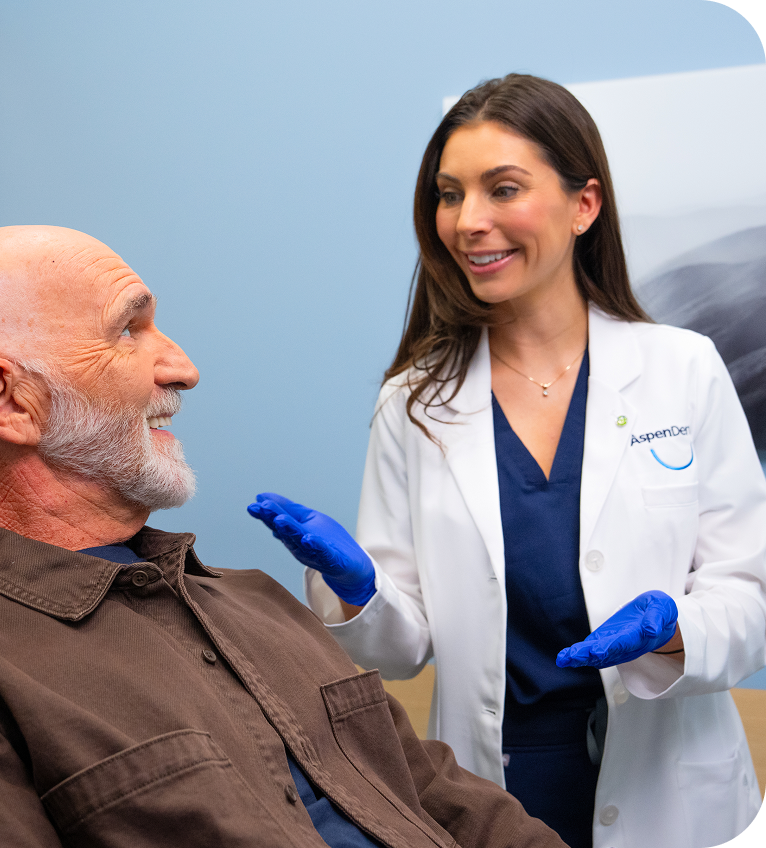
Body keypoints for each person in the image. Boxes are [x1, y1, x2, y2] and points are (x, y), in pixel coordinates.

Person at [0, 226, 567, 848]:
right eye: (128, 330)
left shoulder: (259, 604)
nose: (183, 368)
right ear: (10, 400)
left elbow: (448, 799)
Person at [248, 74, 766, 848]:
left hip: (673, 789)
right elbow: (403, 643)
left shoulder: (682, 369)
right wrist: (359, 594)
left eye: (503, 189)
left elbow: (751, 595)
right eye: (450, 194)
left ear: (583, 205)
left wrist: (673, 630)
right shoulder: (416, 401)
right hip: (496, 790)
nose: (469, 221)